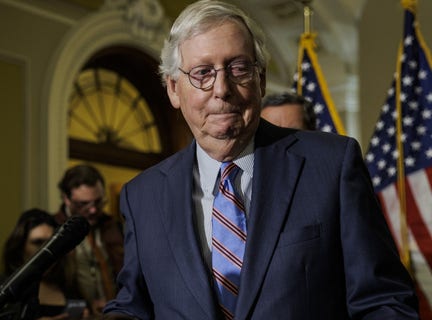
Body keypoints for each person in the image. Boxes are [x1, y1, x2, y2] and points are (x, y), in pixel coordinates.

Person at [103, 1, 419, 319]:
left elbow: (385, 302)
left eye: (238, 68)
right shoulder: (142, 196)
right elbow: (133, 305)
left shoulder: (331, 166)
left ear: (261, 79)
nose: (222, 89)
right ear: (173, 88)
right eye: (202, 73)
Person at [55, 164, 123, 315]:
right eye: (83, 204)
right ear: (66, 199)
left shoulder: (113, 227)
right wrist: (81, 306)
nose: (93, 210)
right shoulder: (54, 230)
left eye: (98, 202)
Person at [0, 208, 87, 319]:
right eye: (37, 242)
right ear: (20, 248)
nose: (45, 249)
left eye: (50, 243)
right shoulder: (3, 290)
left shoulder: (70, 286)